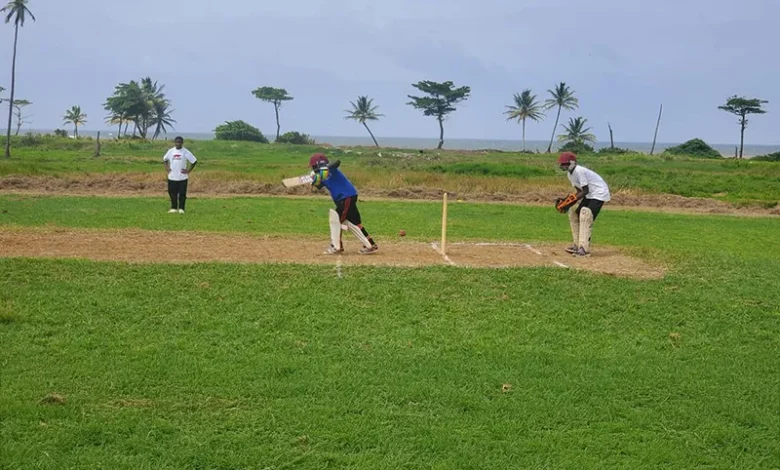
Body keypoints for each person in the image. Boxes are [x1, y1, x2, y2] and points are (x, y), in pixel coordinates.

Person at [308, 153, 378, 255]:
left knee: (336, 220)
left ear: (318, 165)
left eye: (314, 167)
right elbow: (318, 185)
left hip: (346, 197)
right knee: (354, 222)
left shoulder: (331, 170)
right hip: (346, 198)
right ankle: (371, 245)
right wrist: (315, 181)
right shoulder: (321, 176)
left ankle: (336, 247)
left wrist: (324, 170)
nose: (313, 169)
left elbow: (337, 162)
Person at [556, 152, 610, 257]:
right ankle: (577, 244)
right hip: (589, 194)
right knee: (575, 215)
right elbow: (578, 191)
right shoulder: (570, 174)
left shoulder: (579, 171)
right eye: (562, 164)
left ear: (572, 162)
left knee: (586, 216)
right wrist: (567, 201)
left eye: (565, 164)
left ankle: (584, 249)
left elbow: (585, 190)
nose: (563, 166)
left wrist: (571, 201)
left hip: (598, 193)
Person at [162, 136, 197, 214]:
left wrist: (188, 170)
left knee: (182, 193)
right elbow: (165, 160)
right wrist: (167, 168)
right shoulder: (171, 151)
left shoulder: (185, 152)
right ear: (175, 142)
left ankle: (181, 208)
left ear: (182, 143)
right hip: (172, 176)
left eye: (180, 142)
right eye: (177, 142)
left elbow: (194, 161)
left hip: (182, 177)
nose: (178, 143)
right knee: (172, 193)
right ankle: (173, 208)